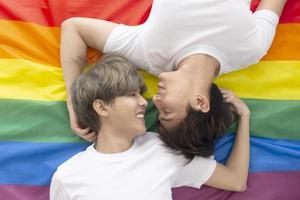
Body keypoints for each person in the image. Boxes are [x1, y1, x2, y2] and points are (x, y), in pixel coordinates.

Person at [60, 0, 286, 159]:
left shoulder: (149, 54)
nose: (153, 102)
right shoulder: (250, 50)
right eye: (167, 112)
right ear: (201, 102)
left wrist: (73, 104)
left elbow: (74, 29)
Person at [50, 55, 250, 200]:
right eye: (131, 95)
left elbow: (235, 180)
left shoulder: (161, 150)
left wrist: (244, 116)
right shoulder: (67, 176)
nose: (145, 103)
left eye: (140, 94)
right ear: (102, 107)